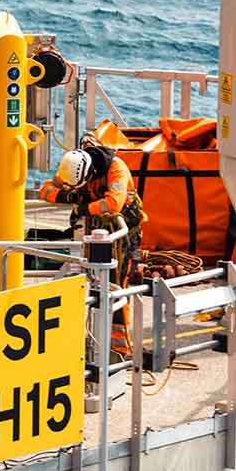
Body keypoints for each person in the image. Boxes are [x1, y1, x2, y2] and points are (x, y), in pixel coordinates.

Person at [39, 139, 146, 353]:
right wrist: (68, 195)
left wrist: (83, 207)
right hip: (95, 233)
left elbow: (113, 203)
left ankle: (119, 348)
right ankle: (87, 339)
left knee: (116, 286)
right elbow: (46, 190)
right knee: (89, 281)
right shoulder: (73, 166)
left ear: (89, 173)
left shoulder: (116, 169)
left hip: (121, 235)